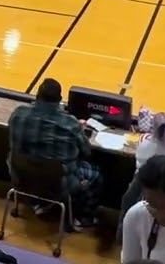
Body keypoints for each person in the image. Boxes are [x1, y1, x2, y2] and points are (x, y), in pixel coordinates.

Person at [7, 78, 101, 230]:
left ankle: (38, 202)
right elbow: (86, 151)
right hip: (57, 185)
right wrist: (79, 130)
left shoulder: (18, 114)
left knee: (34, 163)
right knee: (95, 174)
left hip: (21, 178)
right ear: (59, 101)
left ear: (37, 96)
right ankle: (83, 218)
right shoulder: (69, 123)